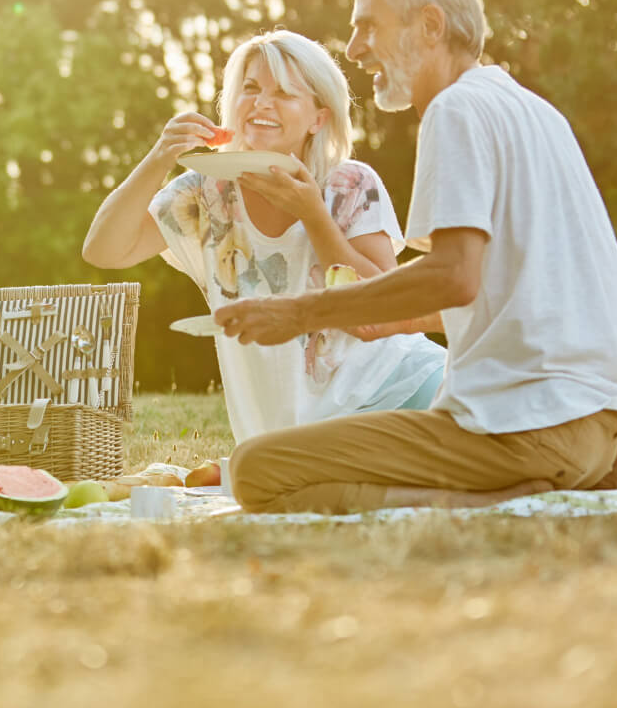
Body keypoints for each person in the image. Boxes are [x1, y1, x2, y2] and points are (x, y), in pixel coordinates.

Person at [217, 0, 617, 513]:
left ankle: (486, 498)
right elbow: (504, 285)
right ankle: (522, 483)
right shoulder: (529, 108)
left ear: (430, 25)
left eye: (368, 28)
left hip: (520, 430)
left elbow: (453, 277)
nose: (354, 50)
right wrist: (374, 312)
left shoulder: (454, 112)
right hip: (595, 424)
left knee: (256, 469)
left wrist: (301, 313)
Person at [82, 30, 443, 442]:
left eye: (285, 93)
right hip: (289, 434)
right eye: (251, 88)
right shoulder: (205, 192)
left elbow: (385, 311)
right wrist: (158, 157)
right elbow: (103, 250)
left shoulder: (349, 184)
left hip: (400, 392)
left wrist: (312, 214)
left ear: (318, 118)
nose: (262, 103)